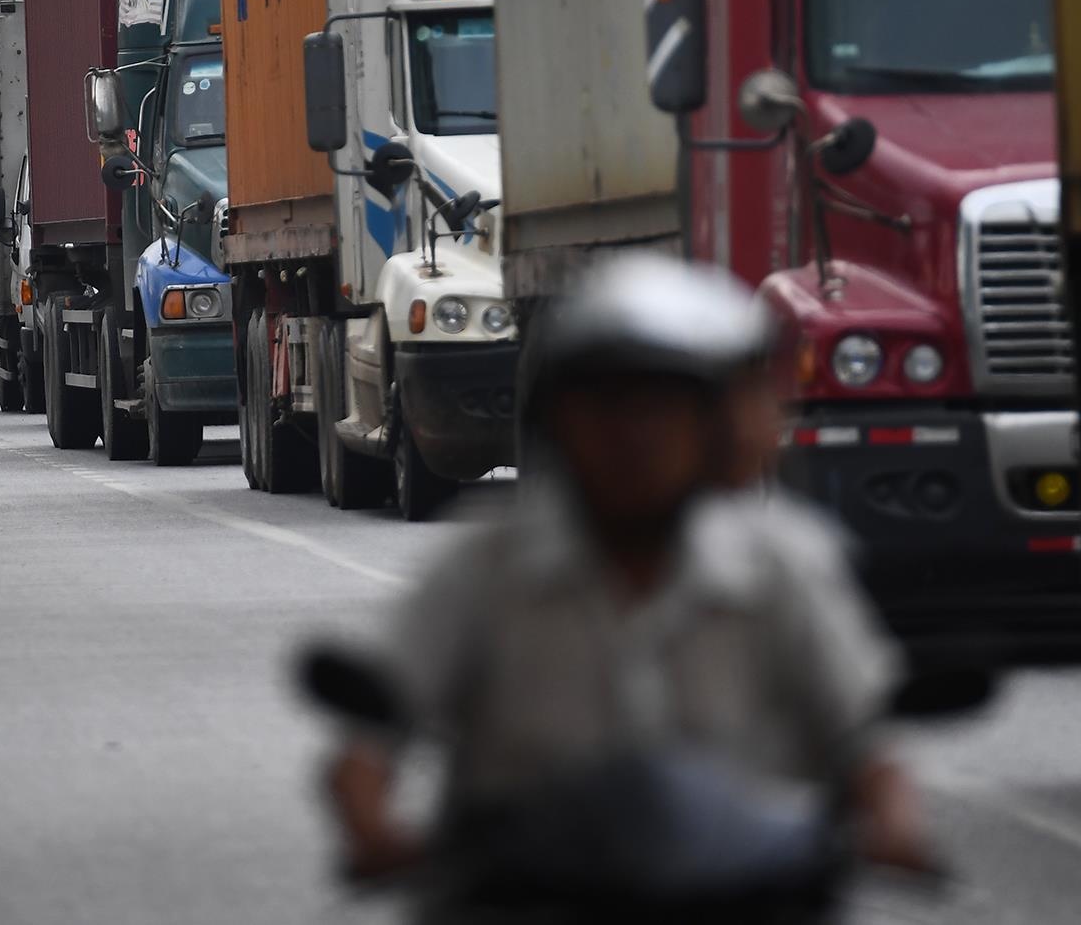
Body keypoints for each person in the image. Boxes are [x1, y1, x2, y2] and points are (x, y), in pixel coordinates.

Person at [323, 252, 938, 897]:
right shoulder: (485, 567)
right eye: (608, 408)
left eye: (661, 410)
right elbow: (371, 744)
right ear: (559, 421)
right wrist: (375, 831)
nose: (634, 438)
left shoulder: (782, 563)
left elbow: (865, 743)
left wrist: (894, 827)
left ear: (713, 429)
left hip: (741, 896)